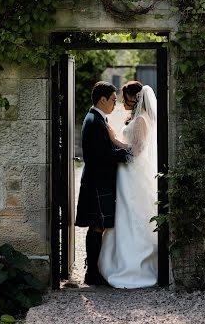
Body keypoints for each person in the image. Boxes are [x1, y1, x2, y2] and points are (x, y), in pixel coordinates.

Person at [98, 81, 158, 288]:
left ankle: (134, 266)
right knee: (124, 212)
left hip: (133, 173)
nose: (122, 100)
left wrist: (113, 139)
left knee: (132, 212)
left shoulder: (141, 119)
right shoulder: (135, 117)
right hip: (127, 172)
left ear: (135, 97)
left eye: (124, 97)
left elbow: (136, 151)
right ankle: (118, 260)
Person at [75, 81, 130, 285]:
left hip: (97, 180)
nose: (115, 105)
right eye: (113, 100)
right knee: (97, 226)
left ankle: (92, 270)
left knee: (98, 226)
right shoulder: (94, 120)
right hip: (97, 181)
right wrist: (129, 155)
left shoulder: (97, 118)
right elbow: (103, 154)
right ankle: (92, 273)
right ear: (102, 99)